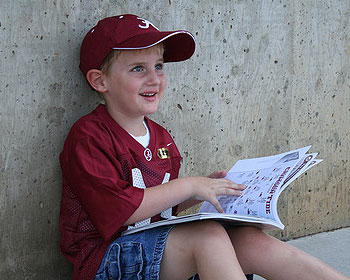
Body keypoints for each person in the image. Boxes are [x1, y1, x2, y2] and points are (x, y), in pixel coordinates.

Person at [59, 14, 349, 280]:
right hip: (105, 262)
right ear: (100, 80)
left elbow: (159, 207)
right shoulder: (90, 136)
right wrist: (189, 186)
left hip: (154, 251)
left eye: (159, 66)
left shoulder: (161, 138)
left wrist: (205, 190)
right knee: (207, 237)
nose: (154, 79)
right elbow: (122, 211)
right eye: (138, 68)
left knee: (248, 239)